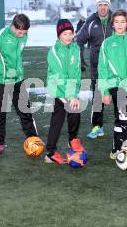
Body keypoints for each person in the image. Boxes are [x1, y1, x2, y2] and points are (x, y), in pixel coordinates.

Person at [75, 0, 127, 139]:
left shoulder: (116, 20)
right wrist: (80, 58)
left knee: (122, 98)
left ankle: (124, 127)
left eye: (105, 4)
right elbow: (79, 40)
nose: (103, 7)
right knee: (98, 96)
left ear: (108, 6)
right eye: (100, 5)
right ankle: (97, 126)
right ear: (96, 7)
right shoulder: (90, 22)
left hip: (118, 69)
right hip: (98, 66)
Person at [0, 13, 38, 156]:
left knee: (25, 111)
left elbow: (17, 57)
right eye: (19, 32)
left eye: (24, 33)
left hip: (17, 80)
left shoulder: (24, 36)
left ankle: (33, 139)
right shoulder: (0, 34)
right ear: (13, 26)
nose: (21, 35)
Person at [97, 9, 127, 159]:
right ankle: (126, 140)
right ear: (112, 24)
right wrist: (104, 92)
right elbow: (102, 69)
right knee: (124, 109)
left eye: (123, 21)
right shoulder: (107, 44)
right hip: (114, 85)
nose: (120, 24)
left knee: (120, 115)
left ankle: (115, 148)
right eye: (116, 22)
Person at [44, 19, 84, 164]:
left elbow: (76, 73)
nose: (68, 36)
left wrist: (75, 93)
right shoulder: (54, 51)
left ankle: (72, 141)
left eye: (70, 33)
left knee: (74, 111)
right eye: (64, 33)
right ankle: (50, 152)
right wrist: (71, 96)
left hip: (70, 89)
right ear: (59, 35)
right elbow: (60, 76)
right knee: (58, 120)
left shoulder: (76, 49)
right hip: (58, 89)